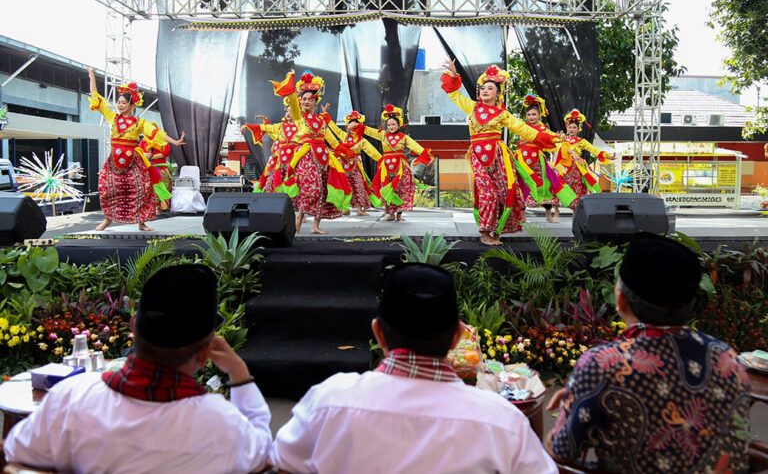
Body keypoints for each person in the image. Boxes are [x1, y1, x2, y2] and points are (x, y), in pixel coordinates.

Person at [269, 263, 558, 474]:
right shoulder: (503, 423)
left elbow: (282, 463)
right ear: (459, 337)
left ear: (378, 333)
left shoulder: (327, 403)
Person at [3, 264, 272, 473]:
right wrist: (240, 375)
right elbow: (263, 453)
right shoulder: (224, 425)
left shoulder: (69, 400)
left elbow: (17, 456)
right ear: (204, 353)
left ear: (133, 326)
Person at [545, 233, 751, 473]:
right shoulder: (727, 359)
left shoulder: (603, 365)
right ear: (692, 302)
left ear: (620, 300)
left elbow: (560, 450)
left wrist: (574, 404)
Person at [440, 61, 561, 245]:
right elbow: (452, 93)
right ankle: (485, 233)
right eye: (483, 88)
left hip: (498, 157)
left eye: (490, 88)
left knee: (503, 194)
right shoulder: (472, 107)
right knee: (487, 194)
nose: (485, 91)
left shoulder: (502, 114)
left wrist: (551, 138)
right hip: (478, 157)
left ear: (498, 93)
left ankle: (497, 230)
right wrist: (455, 75)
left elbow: (523, 129)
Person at [87, 67, 185, 232]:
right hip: (114, 162)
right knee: (107, 191)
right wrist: (91, 76)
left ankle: (142, 222)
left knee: (142, 190)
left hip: (133, 162)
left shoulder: (139, 123)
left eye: (123, 102)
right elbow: (96, 98)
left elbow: (156, 133)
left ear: (132, 104)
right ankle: (108, 220)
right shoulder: (113, 118)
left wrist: (174, 142)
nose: (119, 105)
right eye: (119, 102)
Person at [271, 69, 354, 234]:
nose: (306, 101)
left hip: (323, 159)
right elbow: (293, 101)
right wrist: (292, 77)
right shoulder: (299, 118)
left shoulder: (321, 122)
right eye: (304, 99)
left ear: (316, 102)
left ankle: (315, 226)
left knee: (322, 190)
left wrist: (350, 155)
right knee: (311, 189)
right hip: (307, 157)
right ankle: (298, 220)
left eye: (310, 99)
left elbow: (334, 143)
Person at [361, 104, 433, 222]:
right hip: (386, 168)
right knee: (388, 189)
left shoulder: (404, 138)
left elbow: (416, 146)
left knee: (400, 190)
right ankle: (390, 214)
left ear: (398, 125)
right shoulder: (383, 135)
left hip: (400, 167)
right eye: (389, 125)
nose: (391, 126)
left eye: (393, 124)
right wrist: (357, 126)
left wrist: (427, 155)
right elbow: (369, 131)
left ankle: (399, 214)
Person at [516, 95, 574, 223]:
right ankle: (523, 216)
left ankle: (549, 215)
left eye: (534, 114)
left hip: (537, 161)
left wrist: (558, 137)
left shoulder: (543, 128)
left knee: (546, 184)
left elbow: (552, 138)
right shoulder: (522, 126)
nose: (531, 117)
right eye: (529, 114)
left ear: (539, 115)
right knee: (523, 185)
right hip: (522, 160)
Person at [242, 100, 300, 204]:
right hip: (278, 162)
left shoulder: (301, 128)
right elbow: (268, 129)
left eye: (291, 111)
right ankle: (270, 205)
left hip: (293, 162)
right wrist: (248, 126)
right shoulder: (281, 127)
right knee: (271, 183)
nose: (288, 113)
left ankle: (297, 212)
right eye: (287, 111)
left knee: (293, 186)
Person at [554, 109, 614, 209]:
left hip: (577, 168)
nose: (572, 129)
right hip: (564, 167)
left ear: (578, 129)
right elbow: (558, 147)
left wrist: (608, 156)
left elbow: (594, 150)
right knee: (558, 184)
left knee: (577, 189)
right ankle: (556, 209)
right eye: (570, 127)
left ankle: (575, 212)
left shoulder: (582, 141)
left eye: (574, 127)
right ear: (567, 128)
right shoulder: (563, 139)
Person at [326, 110, 382, 216]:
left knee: (359, 185)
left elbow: (372, 152)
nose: (352, 130)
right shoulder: (345, 137)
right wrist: (326, 117)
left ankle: (359, 209)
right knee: (344, 186)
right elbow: (335, 129)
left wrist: (382, 160)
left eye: (354, 127)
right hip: (342, 165)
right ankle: (345, 208)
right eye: (350, 127)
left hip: (355, 166)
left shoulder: (362, 141)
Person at [138, 136, 172, 211]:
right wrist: (145, 155)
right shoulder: (144, 140)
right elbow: (138, 151)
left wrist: (152, 157)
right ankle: (152, 208)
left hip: (161, 169)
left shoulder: (162, 139)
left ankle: (164, 208)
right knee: (149, 189)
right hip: (148, 169)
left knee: (164, 187)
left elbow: (166, 152)